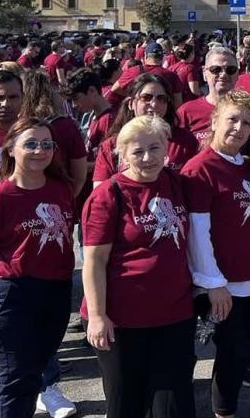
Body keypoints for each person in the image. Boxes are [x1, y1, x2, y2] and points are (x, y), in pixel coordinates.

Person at [82, 115, 196, 418]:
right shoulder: (108, 194)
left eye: (155, 148)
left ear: (167, 149)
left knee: (173, 406)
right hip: (121, 320)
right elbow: (94, 261)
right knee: (125, 404)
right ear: (122, 155)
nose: (148, 158)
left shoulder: (176, 183)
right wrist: (96, 316)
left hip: (174, 315)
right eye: (137, 152)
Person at [0, 118, 74, 418]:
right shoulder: (0, 197)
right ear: (11, 150)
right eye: (30, 144)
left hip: (56, 292)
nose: (40, 150)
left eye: (46, 144)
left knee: (35, 372)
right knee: (17, 377)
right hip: (12, 294)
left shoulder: (60, 189)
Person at [180, 91, 250, 418]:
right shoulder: (200, 169)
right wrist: (213, 284)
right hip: (223, 284)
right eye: (232, 119)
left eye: (246, 122)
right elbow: (197, 234)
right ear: (215, 121)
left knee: (241, 353)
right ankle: (223, 413)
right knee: (232, 354)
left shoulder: (245, 165)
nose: (239, 128)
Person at [92, 74, 200, 185]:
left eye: (161, 98)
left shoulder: (186, 141)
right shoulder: (112, 145)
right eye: (146, 97)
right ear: (131, 103)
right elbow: (101, 192)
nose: (154, 104)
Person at [176, 47, 239, 143]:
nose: (223, 75)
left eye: (230, 69)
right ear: (204, 73)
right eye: (215, 69)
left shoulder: (246, 110)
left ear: (237, 73)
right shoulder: (186, 112)